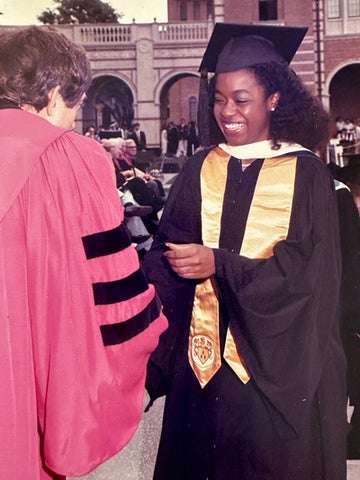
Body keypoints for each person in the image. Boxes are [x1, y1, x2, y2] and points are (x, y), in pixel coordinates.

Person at [142, 23, 347, 480]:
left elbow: (308, 278)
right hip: (201, 372)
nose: (226, 111)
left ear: (273, 99)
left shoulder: (306, 174)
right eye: (218, 98)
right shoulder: (201, 167)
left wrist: (219, 263)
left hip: (271, 379)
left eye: (241, 99)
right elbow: (166, 258)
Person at [0, 26, 167, 480]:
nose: (74, 117)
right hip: (30, 382)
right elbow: (114, 290)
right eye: (74, 105)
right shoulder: (80, 159)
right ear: (54, 94)